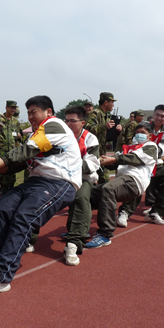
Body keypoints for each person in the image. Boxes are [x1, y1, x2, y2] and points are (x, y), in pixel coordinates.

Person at [0, 95, 81, 294]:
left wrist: (1, 163)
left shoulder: (54, 125)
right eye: (28, 113)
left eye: (34, 112)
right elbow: (24, 160)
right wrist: (1, 168)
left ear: (48, 112)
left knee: (24, 217)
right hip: (36, 182)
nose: (30, 117)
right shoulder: (36, 134)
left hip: (60, 183)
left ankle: (1, 277)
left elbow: (27, 150)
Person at [85, 121, 157, 249]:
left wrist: (114, 159)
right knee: (87, 193)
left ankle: (105, 234)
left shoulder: (151, 147)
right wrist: (102, 160)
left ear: (150, 135)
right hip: (122, 180)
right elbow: (114, 162)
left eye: (143, 133)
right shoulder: (128, 147)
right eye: (137, 132)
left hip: (135, 181)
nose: (139, 135)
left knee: (108, 189)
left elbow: (134, 159)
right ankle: (79, 229)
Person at [62, 105, 100, 266]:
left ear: (82, 122)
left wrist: (67, 164)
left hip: (83, 178)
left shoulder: (90, 139)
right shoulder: (60, 137)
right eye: (66, 121)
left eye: (73, 121)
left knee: (81, 198)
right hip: (61, 176)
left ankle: (74, 243)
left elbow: (91, 165)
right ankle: (29, 239)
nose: (68, 124)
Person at [85, 92, 122, 184]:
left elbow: (108, 137)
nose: (113, 105)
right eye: (112, 102)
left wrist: (117, 132)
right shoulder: (95, 113)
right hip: (92, 153)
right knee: (96, 181)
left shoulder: (106, 116)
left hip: (101, 153)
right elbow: (88, 129)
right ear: (106, 102)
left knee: (101, 182)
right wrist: (104, 126)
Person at [0, 100, 24, 195]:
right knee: (2, 171)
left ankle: (10, 188)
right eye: (11, 107)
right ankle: (2, 189)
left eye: (14, 108)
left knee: (11, 171)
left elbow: (21, 135)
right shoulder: (0, 119)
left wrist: (20, 137)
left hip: (12, 150)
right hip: (1, 150)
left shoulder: (15, 122)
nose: (13, 109)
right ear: (6, 108)